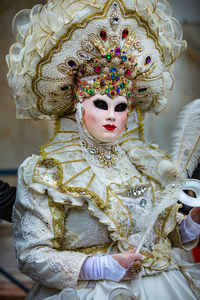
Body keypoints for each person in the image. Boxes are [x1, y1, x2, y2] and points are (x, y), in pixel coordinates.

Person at [6, 0, 200, 299]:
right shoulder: (46, 171)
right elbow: (32, 255)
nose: (112, 115)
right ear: (79, 107)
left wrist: (190, 224)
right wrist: (99, 267)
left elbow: (163, 237)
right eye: (101, 104)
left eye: (120, 107)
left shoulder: (145, 164)